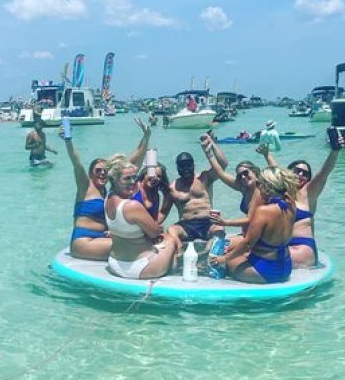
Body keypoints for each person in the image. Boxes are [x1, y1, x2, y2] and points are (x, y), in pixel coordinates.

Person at [62, 117, 151, 260]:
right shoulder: (85, 188)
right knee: (133, 246)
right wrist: (68, 141)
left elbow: (133, 163)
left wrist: (146, 137)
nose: (102, 173)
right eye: (98, 170)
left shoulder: (110, 192)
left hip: (101, 239)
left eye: (105, 170)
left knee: (141, 242)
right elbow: (76, 162)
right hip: (84, 241)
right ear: (91, 173)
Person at [257, 132, 343, 267]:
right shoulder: (283, 192)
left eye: (306, 173)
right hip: (282, 247)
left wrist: (335, 151)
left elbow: (324, 172)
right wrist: (266, 154)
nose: (301, 174)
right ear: (289, 172)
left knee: (248, 254)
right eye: (297, 170)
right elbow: (276, 169)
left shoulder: (309, 193)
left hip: (302, 249)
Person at [209, 167, 297, 284]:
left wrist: (223, 259)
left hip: (266, 270)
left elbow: (247, 244)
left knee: (228, 262)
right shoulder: (291, 205)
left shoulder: (263, 211)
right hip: (286, 267)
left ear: (267, 187)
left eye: (260, 184)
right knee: (240, 254)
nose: (258, 188)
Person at [104, 156, 178, 279]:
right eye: (127, 179)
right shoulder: (133, 206)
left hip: (114, 262)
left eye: (134, 177)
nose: (133, 182)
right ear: (115, 180)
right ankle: (173, 277)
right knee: (171, 240)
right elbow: (154, 233)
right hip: (139, 268)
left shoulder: (108, 197)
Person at [165, 134, 228, 243]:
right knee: (171, 230)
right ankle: (179, 253)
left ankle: (211, 255)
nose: (186, 169)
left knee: (219, 230)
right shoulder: (173, 187)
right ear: (177, 168)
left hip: (208, 223)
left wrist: (211, 144)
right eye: (182, 166)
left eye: (188, 165)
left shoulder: (204, 178)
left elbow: (223, 165)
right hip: (185, 226)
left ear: (193, 165)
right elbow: (163, 211)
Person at [202, 145, 262, 234]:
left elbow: (249, 219)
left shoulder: (259, 191)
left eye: (245, 173)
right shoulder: (245, 188)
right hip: (251, 233)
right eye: (239, 176)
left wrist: (225, 222)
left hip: (260, 236)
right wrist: (209, 154)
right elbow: (220, 173)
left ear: (254, 171)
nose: (243, 177)